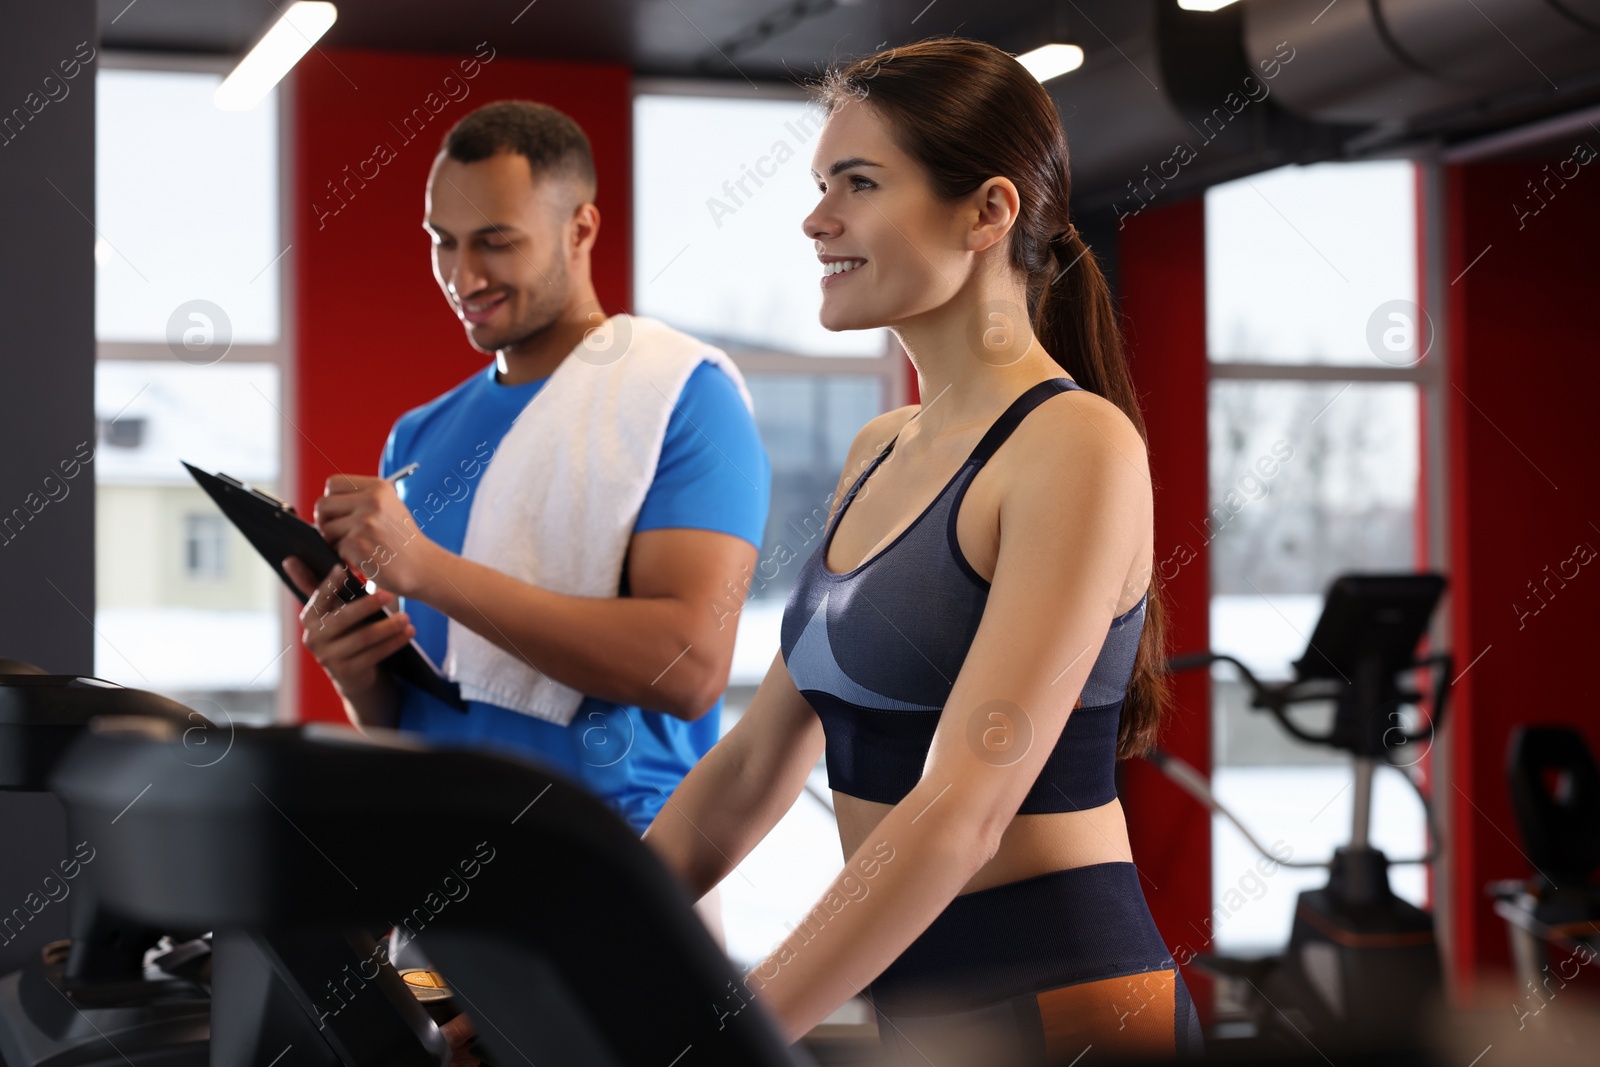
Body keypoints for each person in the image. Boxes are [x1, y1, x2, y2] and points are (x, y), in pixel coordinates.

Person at [635, 37, 1202, 1065]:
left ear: (988, 212)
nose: (815, 219)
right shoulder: (877, 448)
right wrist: (575, 943)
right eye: (817, 185)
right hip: (924, 1013)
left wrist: (723, 1034)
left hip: (1070, 1009)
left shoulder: (1073, 445)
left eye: (858, 183)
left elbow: (961, 809)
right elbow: (755, 760)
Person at [282, 101, 770, 953]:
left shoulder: (685, 397)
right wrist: (360, 675)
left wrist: (427, 569)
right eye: (442, 239)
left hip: (616, 880)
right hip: (447, 887)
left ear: (580, 228)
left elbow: (690, 665)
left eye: (495, 240)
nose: (460, 272)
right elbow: (437, 726)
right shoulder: (419, 437)